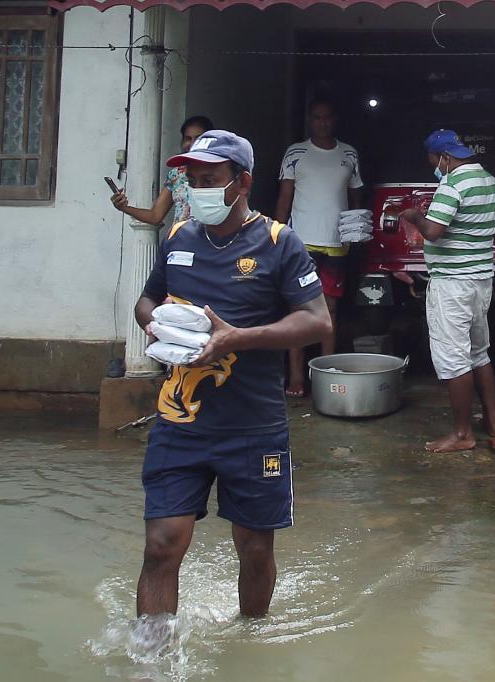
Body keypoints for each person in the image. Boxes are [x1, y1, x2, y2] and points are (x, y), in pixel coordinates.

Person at [132, 130, 332, 628]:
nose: (198, 188)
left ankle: (251, 638)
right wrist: (154, 323)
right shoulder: (177, 237)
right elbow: (147, 298)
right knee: (161, 546)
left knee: (254, 547)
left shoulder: (278, 242)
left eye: (210, 180)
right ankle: (151, 659)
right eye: (192, 179)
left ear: (241, 182)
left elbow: (317, 321)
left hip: (253, 426)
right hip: (180, 421)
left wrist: (235, 338)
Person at [400, 130, 495, 453]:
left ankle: (462, 435)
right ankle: (493, 423)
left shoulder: (453, 183)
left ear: (443, 157)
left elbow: (433, 232)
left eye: (433, 161)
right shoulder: (490, 182)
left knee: (453, 359)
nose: (434, 168)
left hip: (453, 285)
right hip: (480, 282)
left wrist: (415, 215)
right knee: (478, 353)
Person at [275, 99, 364, 397]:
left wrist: (354, 234)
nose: (322, 123)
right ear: (309, 120)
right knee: (299, 309)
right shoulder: (296, 153)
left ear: (335, 119)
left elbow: (355, 200)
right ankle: (297, 378)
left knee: (330, 310)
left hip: (336, 243)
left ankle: (326, 374)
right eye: (317, 117)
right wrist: (275, 237)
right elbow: (284, 199)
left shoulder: (349, 154)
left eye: (327, 117)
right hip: (301, 243)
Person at [111, 115, 214, 225]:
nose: (192, 143)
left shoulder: (218, 171)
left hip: (211, 240)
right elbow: (155, 216)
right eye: (188, 138)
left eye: (198, 138)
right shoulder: (177, 174)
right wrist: (123, 208)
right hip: (181, 240)